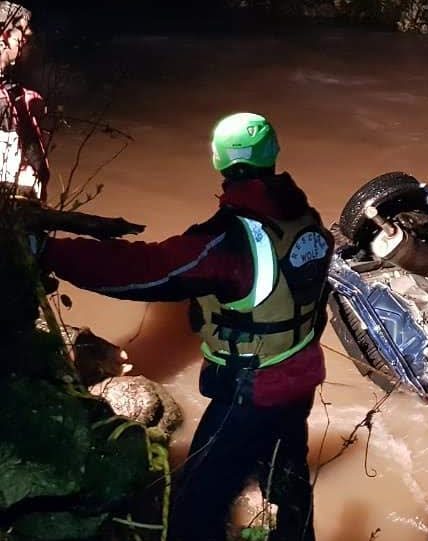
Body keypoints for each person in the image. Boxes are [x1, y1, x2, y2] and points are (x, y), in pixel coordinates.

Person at [30, 112, 333, 541]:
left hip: (249, 392)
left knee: (195, 505)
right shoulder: (306, 219)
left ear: (218, 160)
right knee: (289, 485)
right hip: (300, 379)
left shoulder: (229, 239)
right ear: (274, 154)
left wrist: (50, 252)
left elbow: (146, 271)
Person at [0, 1, 49, 203]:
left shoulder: (20, 96)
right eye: (19, 28)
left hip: (23, 204)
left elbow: (39, 168)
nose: (27, 34)